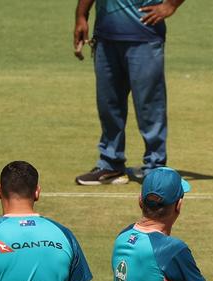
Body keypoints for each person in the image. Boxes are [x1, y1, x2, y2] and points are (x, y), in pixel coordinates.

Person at [73, 0, 183, 185]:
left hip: (145, 37)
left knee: (149, 107)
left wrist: (170, 5)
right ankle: (110, 164)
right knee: (108, 105)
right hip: (106, 37)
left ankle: (155, 167)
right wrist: (81, 16)